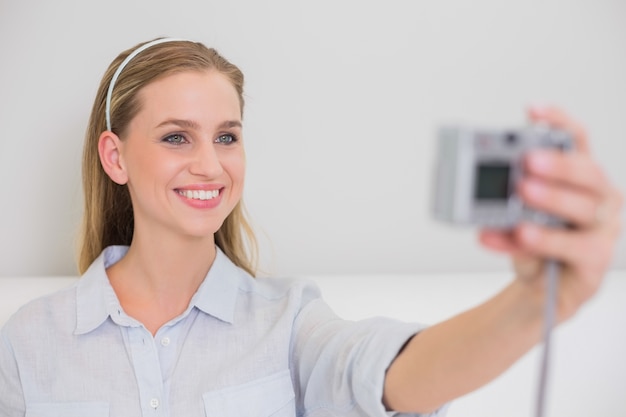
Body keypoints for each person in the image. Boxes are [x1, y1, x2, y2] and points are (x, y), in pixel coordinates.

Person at [0, 37, 622, 417]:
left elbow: (387, 375)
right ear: (115, 157)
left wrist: (538, 300)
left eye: (227, 137)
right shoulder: (29, 341)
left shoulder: (289, 320)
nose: (210, 164)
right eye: (175, 137)